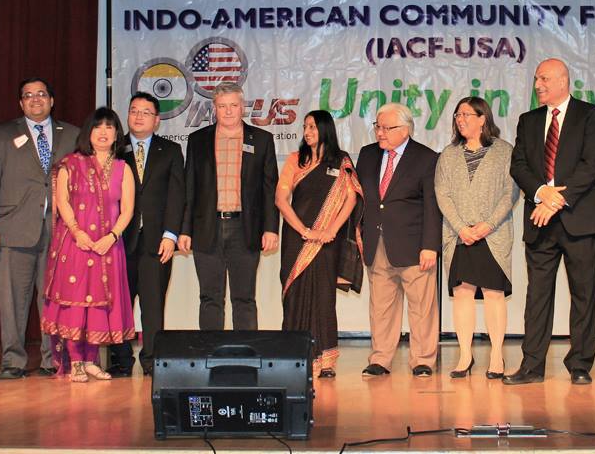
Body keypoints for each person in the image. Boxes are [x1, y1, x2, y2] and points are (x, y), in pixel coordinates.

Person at [505, 58, 595, 385]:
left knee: (584, 295)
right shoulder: (528, 120)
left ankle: (580, 365)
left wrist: (557, 200)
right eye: (536, 79)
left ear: (563, 81)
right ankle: (531, 366)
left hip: (578, 217)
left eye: (544, 79)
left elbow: (592, 161)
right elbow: (519, 165)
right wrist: (542, 192)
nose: (538, 85)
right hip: (540, 220)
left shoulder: (589, 114)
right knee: (537, 297)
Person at [0, 77, 79, 379]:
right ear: (21, 103)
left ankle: (52, 359)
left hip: (60, 232)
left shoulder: (71, 135)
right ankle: (13, 361)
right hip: (11, 232)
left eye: (41, 94)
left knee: (54, 300)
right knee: (12, 301)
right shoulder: (0, 135)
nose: (36, 100)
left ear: (52, 100)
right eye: (28, 95)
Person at [40, 107, 135, 382]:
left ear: (117, 133)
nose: (103, 132)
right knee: (76, 302)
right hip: (76, 243)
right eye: (98, 127)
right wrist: (78, 232)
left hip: (108, 246)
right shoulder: (72, 163)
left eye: (109, 127)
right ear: (88, 133)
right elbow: (62, 202)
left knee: (97, 303)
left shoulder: (122, 168)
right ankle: (76, 362)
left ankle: (91, 359)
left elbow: (127, 209)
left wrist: (112, 236)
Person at [178, 82, 279, 330]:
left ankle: (245, 356)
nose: (229, 111)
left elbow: (269, 189)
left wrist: (271, 228)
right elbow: (189, 188)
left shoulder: (262, 140)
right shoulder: (198, 140)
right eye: (222, 106)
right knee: (210, 298)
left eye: (234, 105)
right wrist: (184, 229)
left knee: (244, 298)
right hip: (206, 228)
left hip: (245, 228)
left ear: (242, 106)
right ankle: (212, 356)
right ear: (214, 108)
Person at [435, 97, 518, 379]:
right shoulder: (448, 154)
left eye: (466, 114)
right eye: (457, 115)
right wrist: (461, 227)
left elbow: (511, 192)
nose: (460, 119)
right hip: (459, 236)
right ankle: (465, 355)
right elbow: (442, 194)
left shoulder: (504, 151)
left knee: (494, 294)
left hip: (491, 235)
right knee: (462, 293)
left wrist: (488, 225)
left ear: (483, 118)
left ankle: (496, 356)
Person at [356, 102, 441, 377]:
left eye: (386, 128)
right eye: (377, 127)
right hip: (376, 243)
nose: (380, 133)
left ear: (405, 129)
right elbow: (362, 200)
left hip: (415, 246)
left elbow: (432, 206)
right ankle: (380, 358)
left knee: (422, 308)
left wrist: (430, 246)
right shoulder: (367, 155)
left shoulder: (426, 158)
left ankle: (423, 360)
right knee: (380, 307)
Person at [275, 110, 363, 378]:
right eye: (305, 127)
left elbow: (351, 198)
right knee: (295, 295)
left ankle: (325, 361)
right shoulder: (295, 160)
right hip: (296, 237)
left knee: (323, 297)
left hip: (327, 241)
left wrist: (329, 231)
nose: (307, 131)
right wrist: (303, 229)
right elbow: (281, 199)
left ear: (325, 129)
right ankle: (296, 356)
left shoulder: (341, 161)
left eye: (313, 126)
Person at [106, 93, 185, 377]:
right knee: (118, 305)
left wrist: (171, 235)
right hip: (118, 241)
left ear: (157, 119)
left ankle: (152, 361)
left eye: (145, 112)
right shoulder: (114, 148)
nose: (138, 117)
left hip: (156, 241)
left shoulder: (171, 150)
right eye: (134, 111)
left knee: (153, 306)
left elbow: (178, 196)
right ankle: (121, 360)